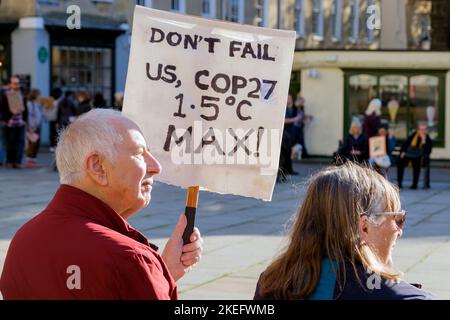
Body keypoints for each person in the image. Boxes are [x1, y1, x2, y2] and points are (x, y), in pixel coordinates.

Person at [0, 109, 203, 299]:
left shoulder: (23, 240)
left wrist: (162, 273)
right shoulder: (129, 260)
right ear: (98, 166)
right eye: (140, 153)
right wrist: (150, 272)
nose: (156, 167)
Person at [254, 162, 433, 300]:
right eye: (398, 219)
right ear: (364, 226)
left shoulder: (271, 283)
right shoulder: (406, 297)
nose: (399, 231)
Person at [0, 75, 28, 169]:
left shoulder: (22, 94)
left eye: (18, 83)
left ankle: (18, 162)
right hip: (10, 123)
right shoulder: (5, 95)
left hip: (20, 122)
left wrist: (24, 120)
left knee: (20, 142)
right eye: (15, 83)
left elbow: (25, 109)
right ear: (10, 84)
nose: (17, 85)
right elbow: (2, 108)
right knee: (10, 143)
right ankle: (10, 161)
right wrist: (4, 120)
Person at [397, 123, 433, 190]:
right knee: (400, 161)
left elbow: (428, 151)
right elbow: (405, 144)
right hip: (409, 154)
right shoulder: (413, 135)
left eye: (424, 129)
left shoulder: (428, 139)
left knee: (417, 162)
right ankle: (399, 183)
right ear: (418, 130)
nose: (422, 131)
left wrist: (424, 142)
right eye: (420, 129)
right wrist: (402, 152)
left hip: (419, 156)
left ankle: (414, 184)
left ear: (426, 131)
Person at [25, 89, 44, 168]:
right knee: (32, 143)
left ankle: (33, 159)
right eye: (39, 94)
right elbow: (29, 116)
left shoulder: (37, 104)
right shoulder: (30, 104)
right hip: (32, 126)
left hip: (37, 125)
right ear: (35, 95)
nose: (40, 96)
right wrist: (31, 127)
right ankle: (30, 160)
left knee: (36, 143)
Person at [293, 94, 312, 159]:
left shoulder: (302, 108)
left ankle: (304, 154)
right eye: (302, 102)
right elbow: (294, 113)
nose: (302, 103)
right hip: (294, 126)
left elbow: (302, 116)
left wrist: (307, 117)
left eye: (303, 102)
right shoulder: (294, 107)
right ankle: (294, 154)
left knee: (301, 140)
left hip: (299, 126)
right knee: (294, 140)